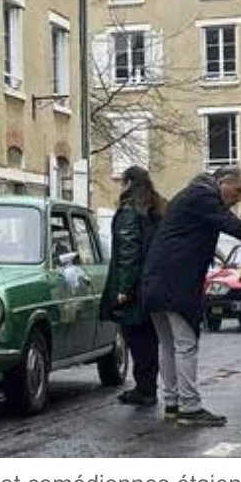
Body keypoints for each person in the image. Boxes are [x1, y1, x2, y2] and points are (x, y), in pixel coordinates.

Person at [140, 167, 241, 426]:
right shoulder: (204, 197)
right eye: (237, 190)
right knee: (185, 345)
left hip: (154, 279)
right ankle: (190, 406)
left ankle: (173, 402)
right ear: (222, 182)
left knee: (169, 345)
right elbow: (238, 228)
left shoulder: (190, 195)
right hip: (176, 282)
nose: (239, 198)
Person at [98, 166, 166, 407]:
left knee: (136, 339)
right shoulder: (154, 209)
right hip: (151, 283)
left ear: (128, 183)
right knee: (149, 339)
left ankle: (145, 389)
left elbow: (128, 252)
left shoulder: (129, 212)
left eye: (122, 182)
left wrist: (123, 289)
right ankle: (148, 387)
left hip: (135, 288)